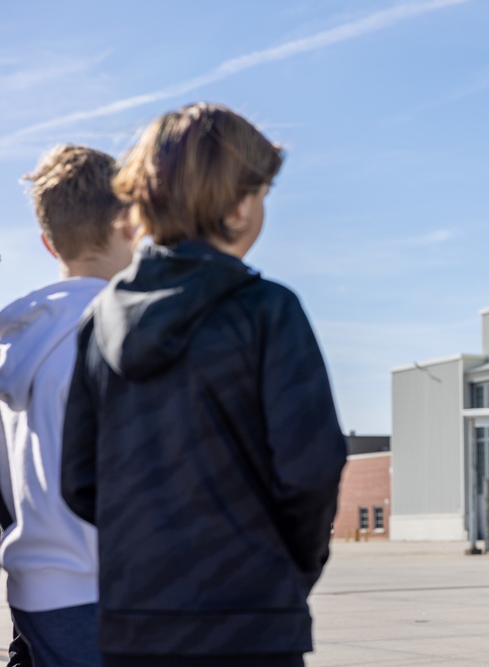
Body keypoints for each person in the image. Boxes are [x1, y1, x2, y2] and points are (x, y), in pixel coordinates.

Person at [59, 102, 348, 667]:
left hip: (133, 624)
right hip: (250, 622)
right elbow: (309, 470)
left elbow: (80, 480)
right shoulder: (267, 310)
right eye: (261, 193)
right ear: (240, 208)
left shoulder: (99, 321)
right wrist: (289, 570)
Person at [0, 144, 134, 666]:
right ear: (130, 223)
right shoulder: (122, 335)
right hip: (107, 593)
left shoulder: (15, 344)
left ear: (47, 242)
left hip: (35, 594)